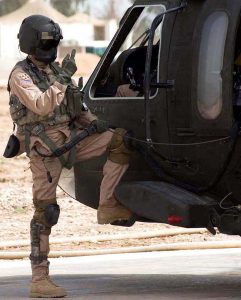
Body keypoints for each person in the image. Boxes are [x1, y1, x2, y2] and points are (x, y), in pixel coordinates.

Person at [7, 14, 133, 298]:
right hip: (45, 149)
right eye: (47, 42)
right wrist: (63, 78)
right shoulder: (20, 75)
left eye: (53, 41)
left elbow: (75, 105)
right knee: (46, 212)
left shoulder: (54, 70)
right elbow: (41, 105)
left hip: (73, 138)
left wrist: (94, 123)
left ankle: (108, 204)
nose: (51, 46)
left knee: (119, 141)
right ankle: (39, 279)